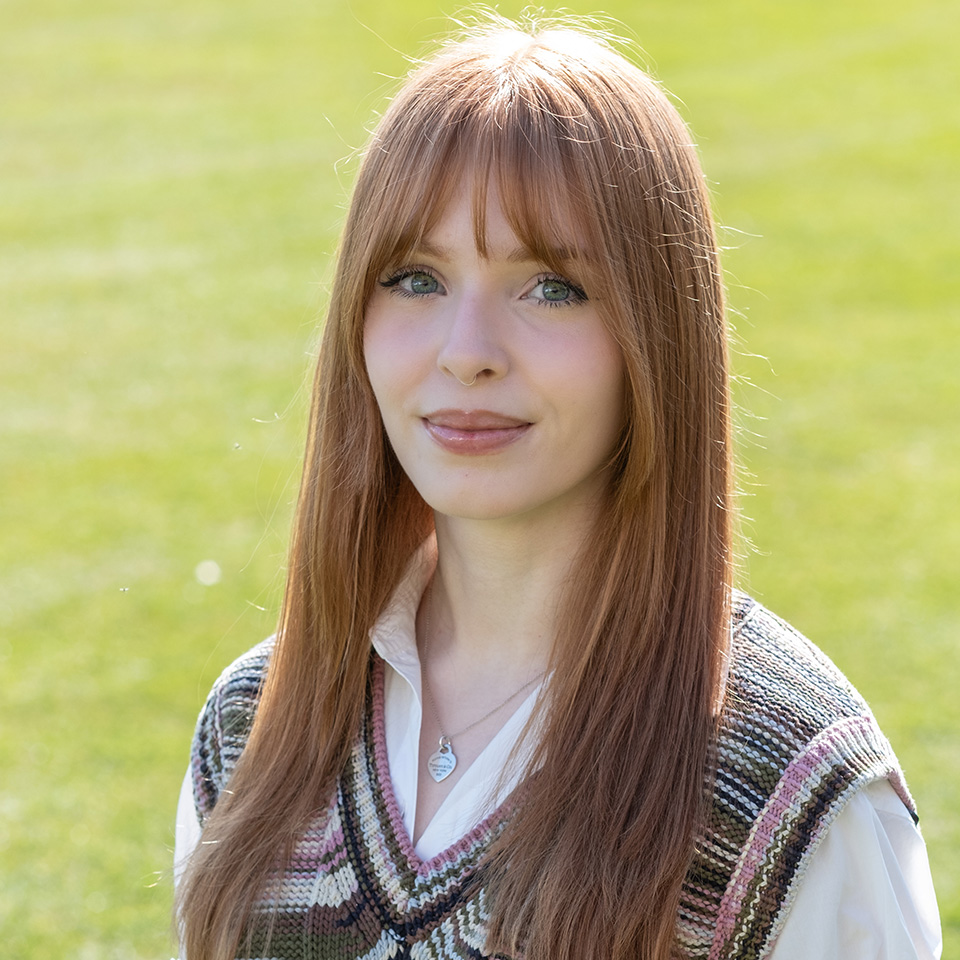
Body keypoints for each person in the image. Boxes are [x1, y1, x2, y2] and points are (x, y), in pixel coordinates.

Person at [173, 15, 941, 960]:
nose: (467, 353)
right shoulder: (252, 728)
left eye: (552, 288)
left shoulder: (791, 789)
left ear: (656, 334)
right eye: (415, 279)